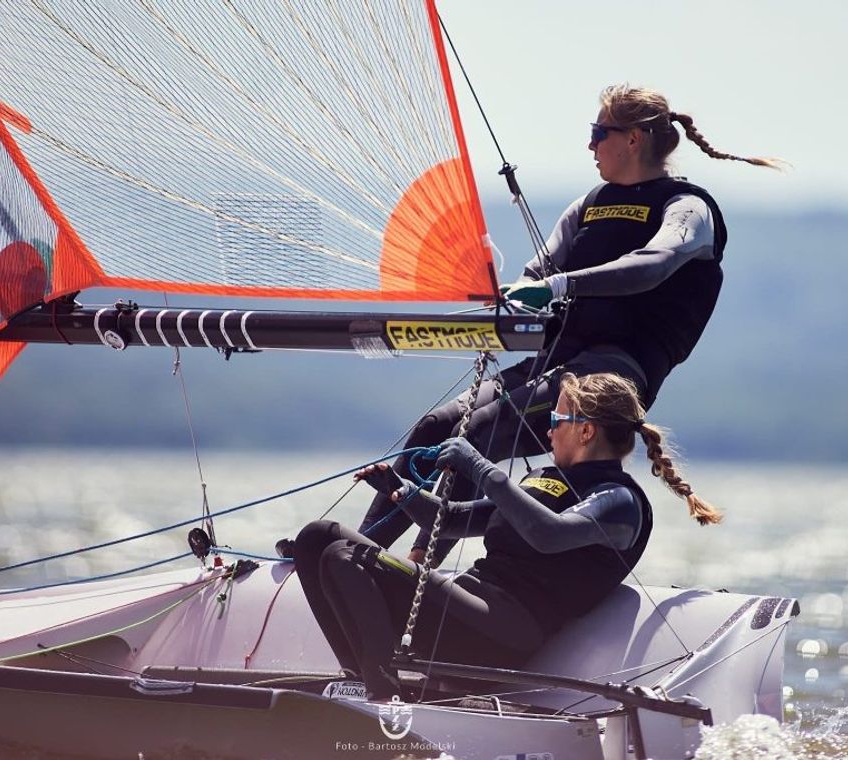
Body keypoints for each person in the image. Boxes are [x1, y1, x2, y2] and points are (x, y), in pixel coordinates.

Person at [360, 83, 779, 563]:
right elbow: (538, 271)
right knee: (436, 425)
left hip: (609, 379)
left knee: (475, 433)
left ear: (633, 139)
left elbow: (653, 263)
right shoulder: (588, 205)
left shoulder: (688, 208)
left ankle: (419, 567)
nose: (590, 144)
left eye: (598, 133)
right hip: (554, 363)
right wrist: (518, 292)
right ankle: (362, 550)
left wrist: (560, 286)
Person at [294, 372, 721, 700]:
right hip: (464, 603)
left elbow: (548, 534)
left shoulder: (619, 500)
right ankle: (359, 679)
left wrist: (480, 467)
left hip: (500, 632)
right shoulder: (545, 479)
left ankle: (382, 697)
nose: (548, 431)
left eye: (555, 420)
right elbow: (454, 519)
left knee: (343, 557)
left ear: (586, 431)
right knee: (317, 537)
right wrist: (400, 490)